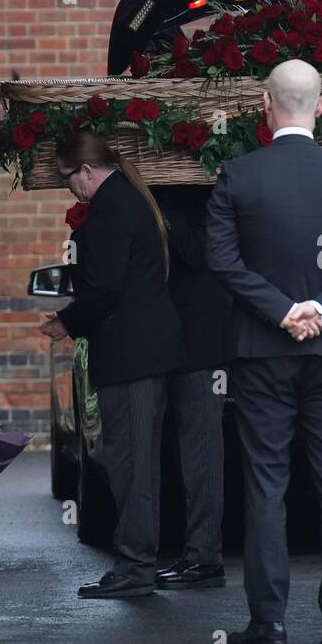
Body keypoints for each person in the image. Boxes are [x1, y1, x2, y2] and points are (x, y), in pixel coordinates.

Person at [206, 59, 322, 644]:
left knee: (266, 483)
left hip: (262, 350)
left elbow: (223, 262)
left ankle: (270, 622)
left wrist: (283, 310)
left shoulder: (237, 175)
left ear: (265, 104)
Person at [40, 129, 186, 599]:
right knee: (138, 460)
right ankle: (138, 560)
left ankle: (137, 566)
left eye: (68, 179)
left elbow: (102, 287)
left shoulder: (109, 211)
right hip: (145, 352)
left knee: (130, 463)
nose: (69, 188)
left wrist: (66, 321)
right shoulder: (128, 200)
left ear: (86, 171)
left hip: (130, 355)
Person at [152, 185, 232, 590]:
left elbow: (199, 252)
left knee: (200, 451)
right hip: (161, 340)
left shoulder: (205, 191)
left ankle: (204, 557)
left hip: (199, 343)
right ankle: (188, 551)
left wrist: (160, 213)